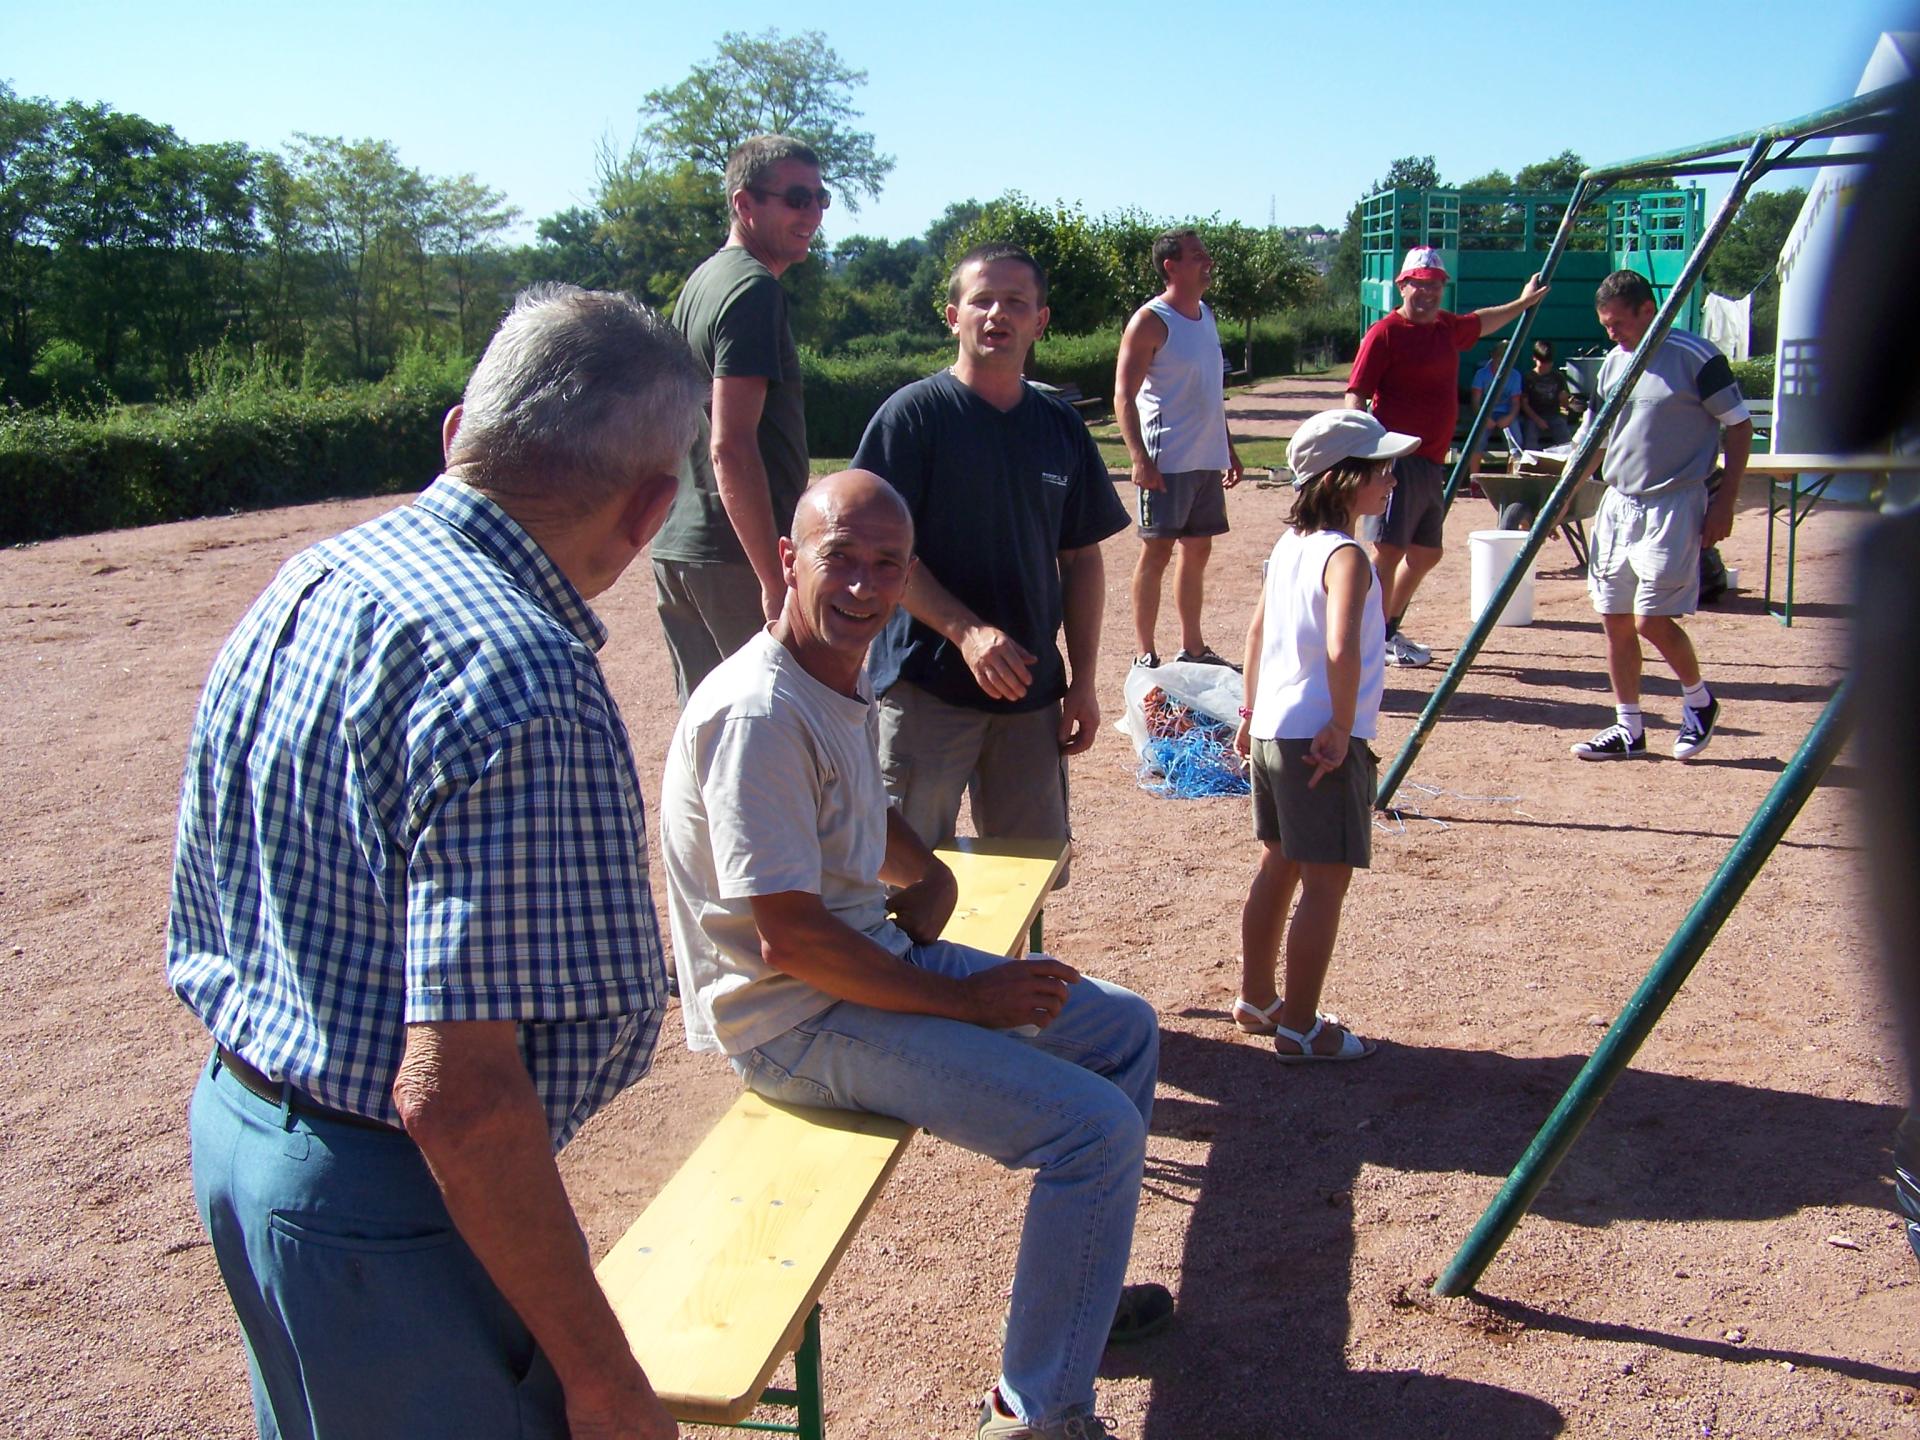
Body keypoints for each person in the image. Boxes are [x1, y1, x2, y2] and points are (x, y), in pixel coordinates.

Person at [167, 286, 705, 1439]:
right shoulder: (523, 675)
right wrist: (605, 1378)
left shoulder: (317, 576)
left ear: (460, 430)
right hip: (387, 1206)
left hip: (245, 1134)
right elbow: (458, 1101)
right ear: (651, 507)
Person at [660, 469, 1166, 1440]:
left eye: (886, 565)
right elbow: (788, 938)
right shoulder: (758, 713)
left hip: (859, 964)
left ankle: (1074, 1317)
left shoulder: (833, 671)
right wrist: (972, 1003)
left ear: (908, 576)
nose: (863, 585)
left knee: (1124, 1030)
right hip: (793, 1020)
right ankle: (1037, 1413)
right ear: (787, 561)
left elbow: (846, 804)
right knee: (1093, 1132)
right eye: (839, 558)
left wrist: (923, 869)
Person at [851, 244, 1131, 856]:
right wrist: (968, 632)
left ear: (1040, 320)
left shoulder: (1060, 426)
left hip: (1029, 691)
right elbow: (876, 554)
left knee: (1028, 871)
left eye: (1015, 302)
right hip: (925, 687)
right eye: (981, 300)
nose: (997, 314)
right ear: (954, 317)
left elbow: (1081, 558)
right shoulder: (912, 418)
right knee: (903, 870)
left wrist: (1083, 681)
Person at [1231, 410, 1412, 1060]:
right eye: (1381, 469)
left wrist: (1250, 714)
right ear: (1344, 478)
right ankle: (1302, 1028)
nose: (1391, 481)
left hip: (1273, 731)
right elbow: (1342, 646)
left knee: (1278, 863)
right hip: (1318, 739)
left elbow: (1256, 634)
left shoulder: (1289, 547)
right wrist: (1340, 723)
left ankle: (1257, 998)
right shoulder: (1347, 555)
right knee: (1325, 881)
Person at [652, 134, 826, 703]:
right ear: (744, 204)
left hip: (682, 543)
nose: (812, 213)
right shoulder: (753, 290)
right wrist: (772, 578)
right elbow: (730, 444)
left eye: (820, 198)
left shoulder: (703, 282)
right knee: (767, 722)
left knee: (707, 725)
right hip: (736, 554)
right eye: (796, 198)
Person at [1568, 269, 1751, 761]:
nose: (1612, 333)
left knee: (1650, 619)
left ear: (1648, 311)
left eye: (1618, 323)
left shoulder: (1695, 357)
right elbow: (1595, 438)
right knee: (1614, 617)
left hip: (1674, 501)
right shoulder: (1613, 364)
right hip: (1618, 502)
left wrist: (1725, 502)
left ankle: (1699, 700)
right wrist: (1565, 495)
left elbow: (1739, 427)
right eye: (1606, 325)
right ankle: (1628, 726)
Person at [1345, 246, 1548, 666]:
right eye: (1419, 284)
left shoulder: (1445, 328)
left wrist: (1524, 302)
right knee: (1388, 550)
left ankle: (1385, 629)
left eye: (1435, 285)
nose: (1428, 292)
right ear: (1403, 286)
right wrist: (1363, 448)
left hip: (1432, 460)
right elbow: (1356, 394)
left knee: (1426, 553)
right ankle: (1369, 639)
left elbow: (1483, 321)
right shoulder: (1385, 333)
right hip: (1397, 458)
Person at [1114, 227, 1244, 669]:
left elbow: (1211, 390)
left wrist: (1227, 447)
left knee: (1197, 550)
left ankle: (1193, 648)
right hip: (1166, 459)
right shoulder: (1151, 321)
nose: (1208, 261)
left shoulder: (1205, 314)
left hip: (1205, 457)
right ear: (1171, 267)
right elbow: (1123, 395)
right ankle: (1144, 653)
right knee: (1157, 552)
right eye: (1197, 255)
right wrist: (1138, 457)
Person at [1467, 339, 1525, 469]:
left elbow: (1516, 403)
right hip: (1484, 413)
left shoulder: (1515, 375)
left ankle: (1512, 475)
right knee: (1477, 441)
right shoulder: (1481, 374)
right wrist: (1484, 418)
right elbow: (1475, 402)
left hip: (1506, 413)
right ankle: (1474, 477)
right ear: (1493, 356)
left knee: (1516, 442)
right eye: (1500, 360)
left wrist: (1509, 417)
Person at [1519, 338, 1575, 449]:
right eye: (1542, 363)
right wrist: (1538, 420)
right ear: (1534, 358)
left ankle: (1567, 456)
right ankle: (1530, 459)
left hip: (1553, 414)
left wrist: (1565, 401)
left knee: (1565, 438)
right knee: (1530, 439)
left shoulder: (1558, 377)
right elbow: (1524, 404)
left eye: (1548, 363)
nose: (1545, 366)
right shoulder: (1528, 377)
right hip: (1533, 415)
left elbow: (1564, 403)